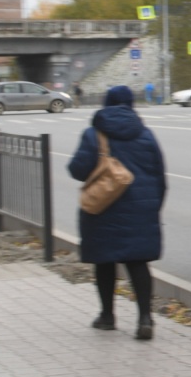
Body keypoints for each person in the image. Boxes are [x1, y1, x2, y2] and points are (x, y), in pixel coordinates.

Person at [67, 85, 168, 339]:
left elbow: (77, 170)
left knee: (105, 261)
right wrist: (153, 208)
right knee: (138, 263)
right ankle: (145, 318)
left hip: (103, 208)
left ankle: (107, 316)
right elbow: (160, 177)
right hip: (140, 209)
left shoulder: (94, 135)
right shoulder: (145, 135)